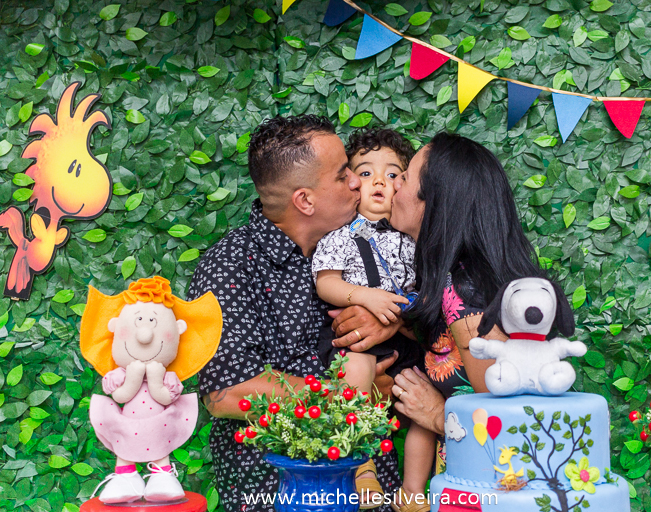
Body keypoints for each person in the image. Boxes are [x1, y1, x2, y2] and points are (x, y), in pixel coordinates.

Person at [187, 116, 401, 512]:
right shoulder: (230, 266)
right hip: (277, 491)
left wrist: (391, 318)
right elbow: (226, 392)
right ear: (304, 200)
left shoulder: (361, 243)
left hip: (373, 487)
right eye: (342, 176)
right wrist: (347, 398)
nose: (357, 182)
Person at [327, 132, 546, 474]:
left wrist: (435, 415)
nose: (393, 186)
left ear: (435, 202)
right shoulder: (450, 278)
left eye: (404, 177)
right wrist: (393, 320)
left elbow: (517, 433)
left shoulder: (466, 295)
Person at [312, 129, 433, 512]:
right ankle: (362, 467)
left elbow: (429, 292)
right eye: (365, 173)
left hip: (408, 340)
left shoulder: (417, 239)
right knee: (355, 367)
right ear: (350, 184)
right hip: (357, 341)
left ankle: (413, 491)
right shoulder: (341, 236)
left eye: (394, 173)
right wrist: (363, 296)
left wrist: (404, 314)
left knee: (424, 401)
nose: (380, 181)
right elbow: (326, 282)